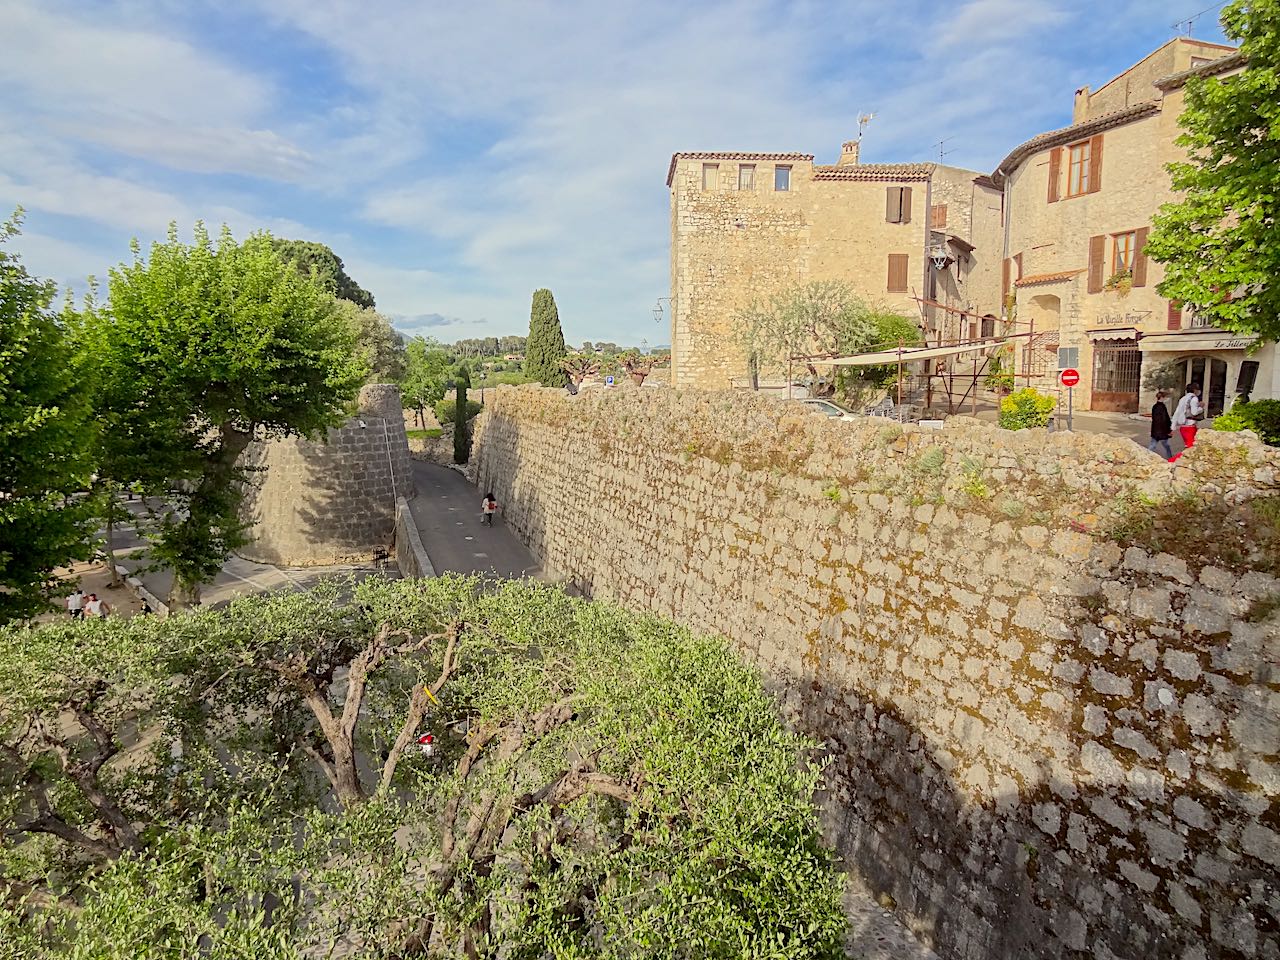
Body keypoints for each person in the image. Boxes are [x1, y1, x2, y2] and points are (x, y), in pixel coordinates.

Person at [1171, 382, 1204, 451]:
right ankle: (1173, 460)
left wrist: (1173, 426)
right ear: (1195, 390)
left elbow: (1177, 413)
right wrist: (1201, 408)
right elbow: (1194, 412)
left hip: (1182, 427)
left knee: (1187, 446)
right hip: (1190, 426)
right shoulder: (1194, 399)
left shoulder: (1183, 399)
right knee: (1190, 449)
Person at [1148, 390, 1173, 459]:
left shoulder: (1155, 406)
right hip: (1162, 431)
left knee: (1153, 445)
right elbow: (1165, 420)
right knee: (1166, 445)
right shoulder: (1162, 407)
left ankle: (1146, 456)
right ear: (1162, 397)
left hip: (1156, 430)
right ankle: (1170, 458)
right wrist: (1169, 430)